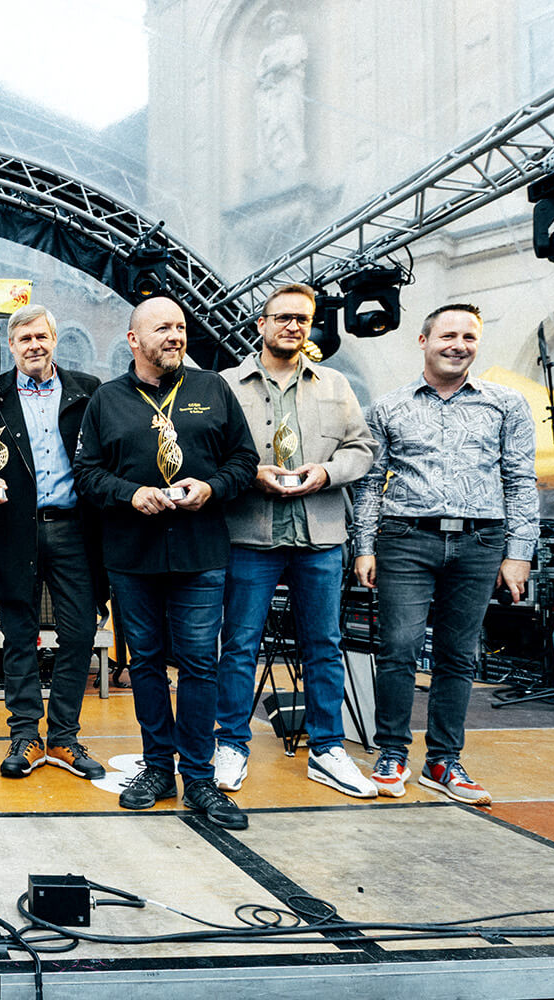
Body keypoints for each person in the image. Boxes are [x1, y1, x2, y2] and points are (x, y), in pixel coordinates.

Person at [73, 295, 258, 829]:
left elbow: (244, 460)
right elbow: (86, 474)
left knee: (201, 663)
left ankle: (199, 778)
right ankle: (157, 768)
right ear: (134, 340)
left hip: (200, 551)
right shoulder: (107, 400)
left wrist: (212, 486)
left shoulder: (212, 389)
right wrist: (130, 494)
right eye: (162, 329)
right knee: (147, 663)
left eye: (180, 327)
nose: (175, 336)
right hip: (133, 556)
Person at [352, 303, 537, 805]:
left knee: (459, 655)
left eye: (469, 337)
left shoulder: (507, 404)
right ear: (424, 341)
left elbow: (521, 480)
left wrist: (519, 553)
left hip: (481, 542)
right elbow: (370, 484)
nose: (459, 345)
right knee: (399, 649)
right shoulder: (388, 408)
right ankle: (391, 751)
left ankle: (443, 760)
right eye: (448, 335)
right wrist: (364, 546)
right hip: (406, 539)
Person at [213, 284, 377, 798]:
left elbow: (363, 448)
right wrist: (247, 475)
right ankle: (231, 746)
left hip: (319, 534)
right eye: (282, 317)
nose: (293, 326)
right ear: (260, 324)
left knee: (324, 645)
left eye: (302, 319)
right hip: (249, 535)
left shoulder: (335, 384)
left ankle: (328, 750)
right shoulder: (224, 385)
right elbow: (206, 453)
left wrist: (326, 473)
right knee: (239, 646)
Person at [0, 305, 108, 781]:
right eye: (24, 339)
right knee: (19, 635)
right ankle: (25, 735)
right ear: (11, 346)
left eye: (41, 336)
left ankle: (63, 737)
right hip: (15, 528)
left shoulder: (90, 391)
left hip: (75, 529)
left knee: (80, 633)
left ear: (55, 338)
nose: (34, 346)